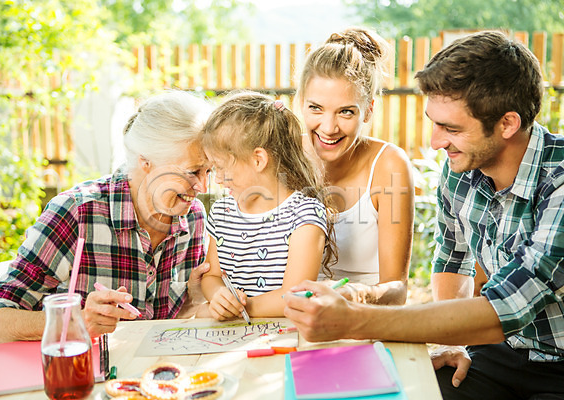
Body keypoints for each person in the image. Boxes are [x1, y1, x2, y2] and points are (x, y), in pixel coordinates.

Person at [284, 30, 564, 399]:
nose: (435, 141)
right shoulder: (461, 168)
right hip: (497, 355)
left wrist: (355, 319)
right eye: (434, 123)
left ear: (507, 124)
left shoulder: (558, 181)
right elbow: (453, 261)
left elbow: (510, 307)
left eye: (451, 128)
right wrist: (454, 343)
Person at [0, 90, 213, 344]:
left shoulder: (192, 216)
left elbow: (164, 327)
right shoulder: (75, 212)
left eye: (209, 170)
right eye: (193, 171)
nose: (204, 187)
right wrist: (75, 321)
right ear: (147, 162)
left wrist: (194, 299)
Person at [295, 27, 414, 305]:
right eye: (316, 108)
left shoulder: (389, 166)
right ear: (300, 102)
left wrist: (357, 296)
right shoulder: (284, 153)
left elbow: (397, 292)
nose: (329, 127)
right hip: (291, 317)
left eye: (346, 111)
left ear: (369, 110)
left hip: (364, 320)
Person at [198, 91, 337, 320]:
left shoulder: (304, 216)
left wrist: (239, 309)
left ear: (258, 160)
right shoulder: (222, 212)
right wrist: (219, 295)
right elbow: (212, 276)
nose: (218, 179)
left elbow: (295, 297)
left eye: (221, 168)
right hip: (230, 338)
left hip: (285, 337)